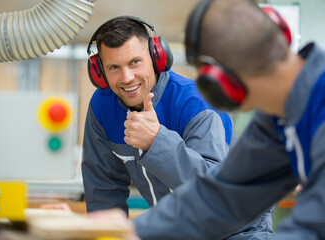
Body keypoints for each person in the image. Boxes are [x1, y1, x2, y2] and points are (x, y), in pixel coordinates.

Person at [121, 0, 325, 239]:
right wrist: (129, 230)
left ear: (220, 80)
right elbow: (223, 195)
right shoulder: (278, 119)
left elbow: (313, 227)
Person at [82, 15, 273, 238]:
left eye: (135, 62)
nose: (127, 77)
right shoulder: (102, 107)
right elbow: (104, 192)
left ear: (156, 57)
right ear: (99, 72)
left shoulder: (197, 104)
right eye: (114, 67)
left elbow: (213, 189)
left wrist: (157, 141)